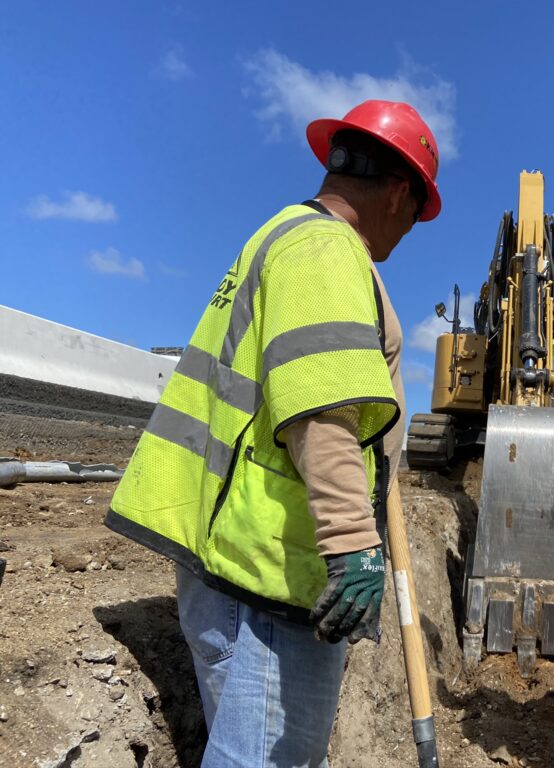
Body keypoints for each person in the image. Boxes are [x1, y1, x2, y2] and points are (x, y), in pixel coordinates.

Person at [105, 100, 441, 766]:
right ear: (400, 194)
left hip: (236, 560)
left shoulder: (281, 236)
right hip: (271, 571)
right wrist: (352, 545)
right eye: (415, 216)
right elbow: (322, 409)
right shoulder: (326, 249)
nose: (406, 234)